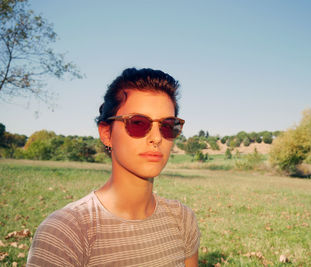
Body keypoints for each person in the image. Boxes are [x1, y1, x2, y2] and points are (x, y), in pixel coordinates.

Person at [27, 68, 200, 266]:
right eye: (138, 123)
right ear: (106, 134)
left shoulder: (182, 219)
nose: (156, 138)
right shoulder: (65, 233)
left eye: (168, 125)